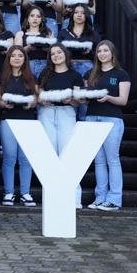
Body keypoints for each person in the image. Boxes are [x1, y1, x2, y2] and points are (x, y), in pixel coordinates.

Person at [85, 40, 130, 212]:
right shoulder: (90, 73)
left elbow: (123, 100)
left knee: (112, 159)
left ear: (112, 53)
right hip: (91, 118)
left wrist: (109, 97)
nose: (102, 54)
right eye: (99, 51)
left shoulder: (121, 74)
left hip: (112, 119)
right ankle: (100, 197)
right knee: (99, 161)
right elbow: (85, 96)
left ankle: (114, 199)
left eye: (105, 50)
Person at [37, 43, 84, 207]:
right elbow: (39, 96)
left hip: (67, 113)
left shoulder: (75, 75)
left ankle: (75, 198)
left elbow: (79, 101)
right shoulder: (45, 74)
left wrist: (71, 100)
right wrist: (42, 100)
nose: (56, 56)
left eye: (59, 52)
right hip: (47, 113)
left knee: (68, 154)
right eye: (53, 54)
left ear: (65, 54)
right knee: (49, 155)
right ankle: (52, 197)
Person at [0, 46, 38, 207]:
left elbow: (36, 99)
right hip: (8, 120)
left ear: (24, 59)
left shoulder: (31, 77)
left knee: (25, 159)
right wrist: (3, 104)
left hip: (27, 121)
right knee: (9, 157)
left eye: (20, 55)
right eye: (13, 55)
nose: (16, 58)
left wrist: (31, 104)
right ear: (8, 59)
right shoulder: (2, 78)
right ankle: (9, 192)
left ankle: (25, 193)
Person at [58, 4, 101, 120]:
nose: (79, 15)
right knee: (70, 97)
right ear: (72, 15)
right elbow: (57, 51)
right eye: (76, 12)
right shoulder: (63, 33)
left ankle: (83, 121)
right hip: (68, 67)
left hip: (87, 67)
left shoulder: (93, 34)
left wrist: (89, 53)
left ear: (87, 16)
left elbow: (99, 55)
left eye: (82, 13)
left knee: (84, 98)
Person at [15, 5, 55, 78]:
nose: (35, 18)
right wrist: (28, 48)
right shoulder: (20, 34)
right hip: (27, 65)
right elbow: (17, 53)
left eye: (38, 16)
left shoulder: (48, 33)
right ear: (27, 18)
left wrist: (47, 49)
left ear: (41, 19)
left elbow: (54, 51)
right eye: (32, 16)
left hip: (44, 65)